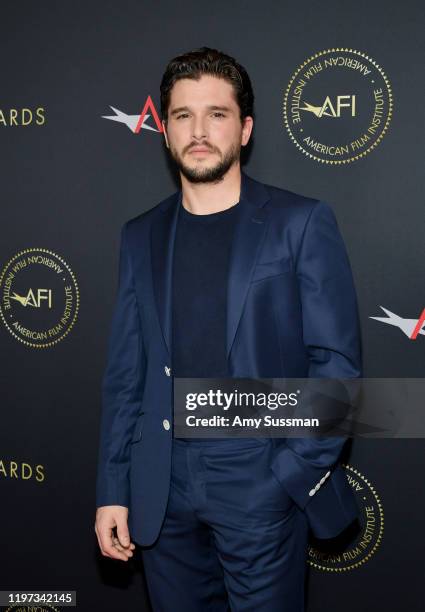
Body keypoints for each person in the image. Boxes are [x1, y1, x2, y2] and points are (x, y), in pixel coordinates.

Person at [94, 47, 362, 611]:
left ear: (244, 130)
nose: (198, 130)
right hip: (160, 487)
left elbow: (336, 368)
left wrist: (285, 474)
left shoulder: (300, 223)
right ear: (164, 130)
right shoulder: (140, 235)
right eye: (183, 115)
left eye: (216, 114)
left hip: (258, 476)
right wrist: (114, 490)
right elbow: (126, 374)